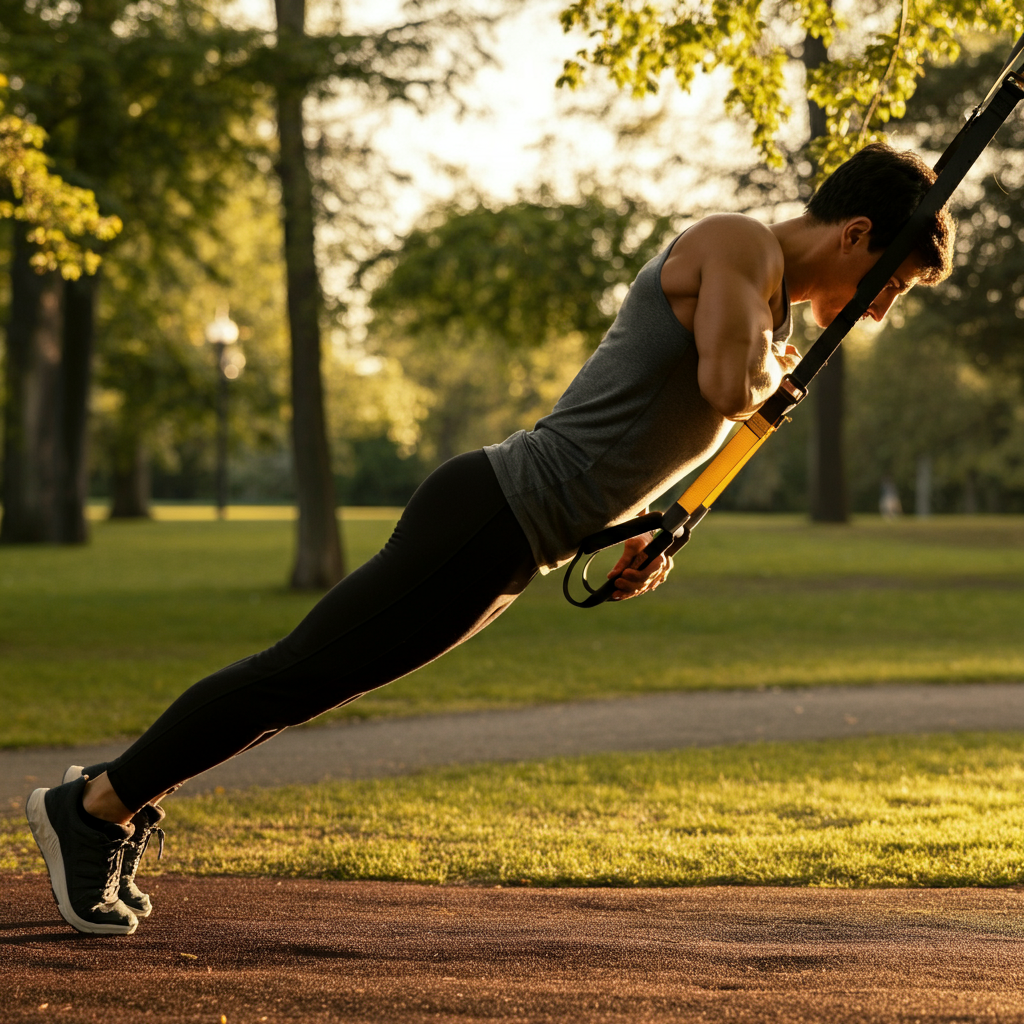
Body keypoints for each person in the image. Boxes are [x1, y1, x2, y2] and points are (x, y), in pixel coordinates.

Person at [27, 142, 954, 935]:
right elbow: (724, 388)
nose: (879, 313)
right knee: (297, 670)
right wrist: (773, 375)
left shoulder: (767, 308)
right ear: (857, 236)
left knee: (310, 679)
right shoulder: (736, 245)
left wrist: (641, 535)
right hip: (487, 511)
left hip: (519, 539)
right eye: (891, 288)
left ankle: (108, 802)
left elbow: (651, 432)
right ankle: (95, 807)